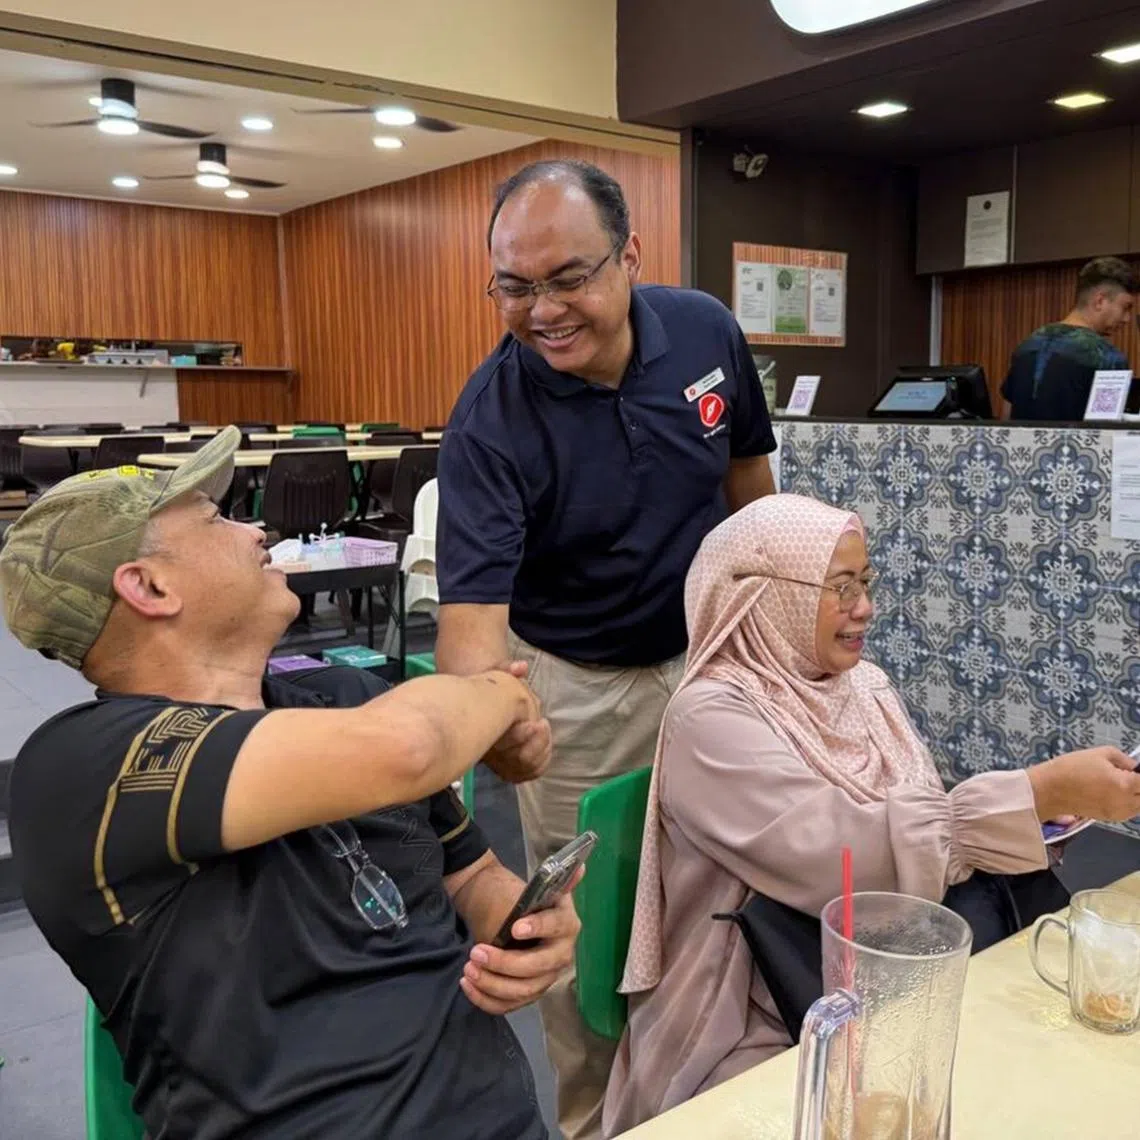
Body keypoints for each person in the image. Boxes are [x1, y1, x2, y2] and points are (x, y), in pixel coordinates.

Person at [0, 428, 579, 1140]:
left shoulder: (345, 696)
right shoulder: (82, 769)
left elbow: (473, 876)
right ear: (149, 586)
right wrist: (502, 694)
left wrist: (525, 927)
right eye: (216, 519)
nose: (256, 528)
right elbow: (409, 745)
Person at [604, 493, 1140, 1135]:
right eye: (840, 587)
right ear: (764, 597)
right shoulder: (709, 719)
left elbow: (924, 826)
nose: (866, 608)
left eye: (866, 581)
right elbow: (849, 863)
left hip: (889, 975)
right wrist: (1034, 795)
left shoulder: (863, 687)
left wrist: (1046, 810)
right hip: (760, 1010)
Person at [435, 158, 778, 1139]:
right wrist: (497, 728)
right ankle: (595, 1122)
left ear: (630, 257)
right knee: (589, 935)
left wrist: (775, 635)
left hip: (709, 665)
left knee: (721, 893)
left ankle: (709, 1095)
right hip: (576, 688)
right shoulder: (492, 419)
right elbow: (469, 635)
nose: (542, 310)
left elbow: (749, 488)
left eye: (568, 277)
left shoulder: (705, 330)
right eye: (515, 285)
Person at [1002, 256, 1137, 420]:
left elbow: (1006, 416)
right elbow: (1106, 432)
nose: (1127, 319)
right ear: (1100, 301)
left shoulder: (1027, 345)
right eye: (1126, 308)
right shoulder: (1108, 358)